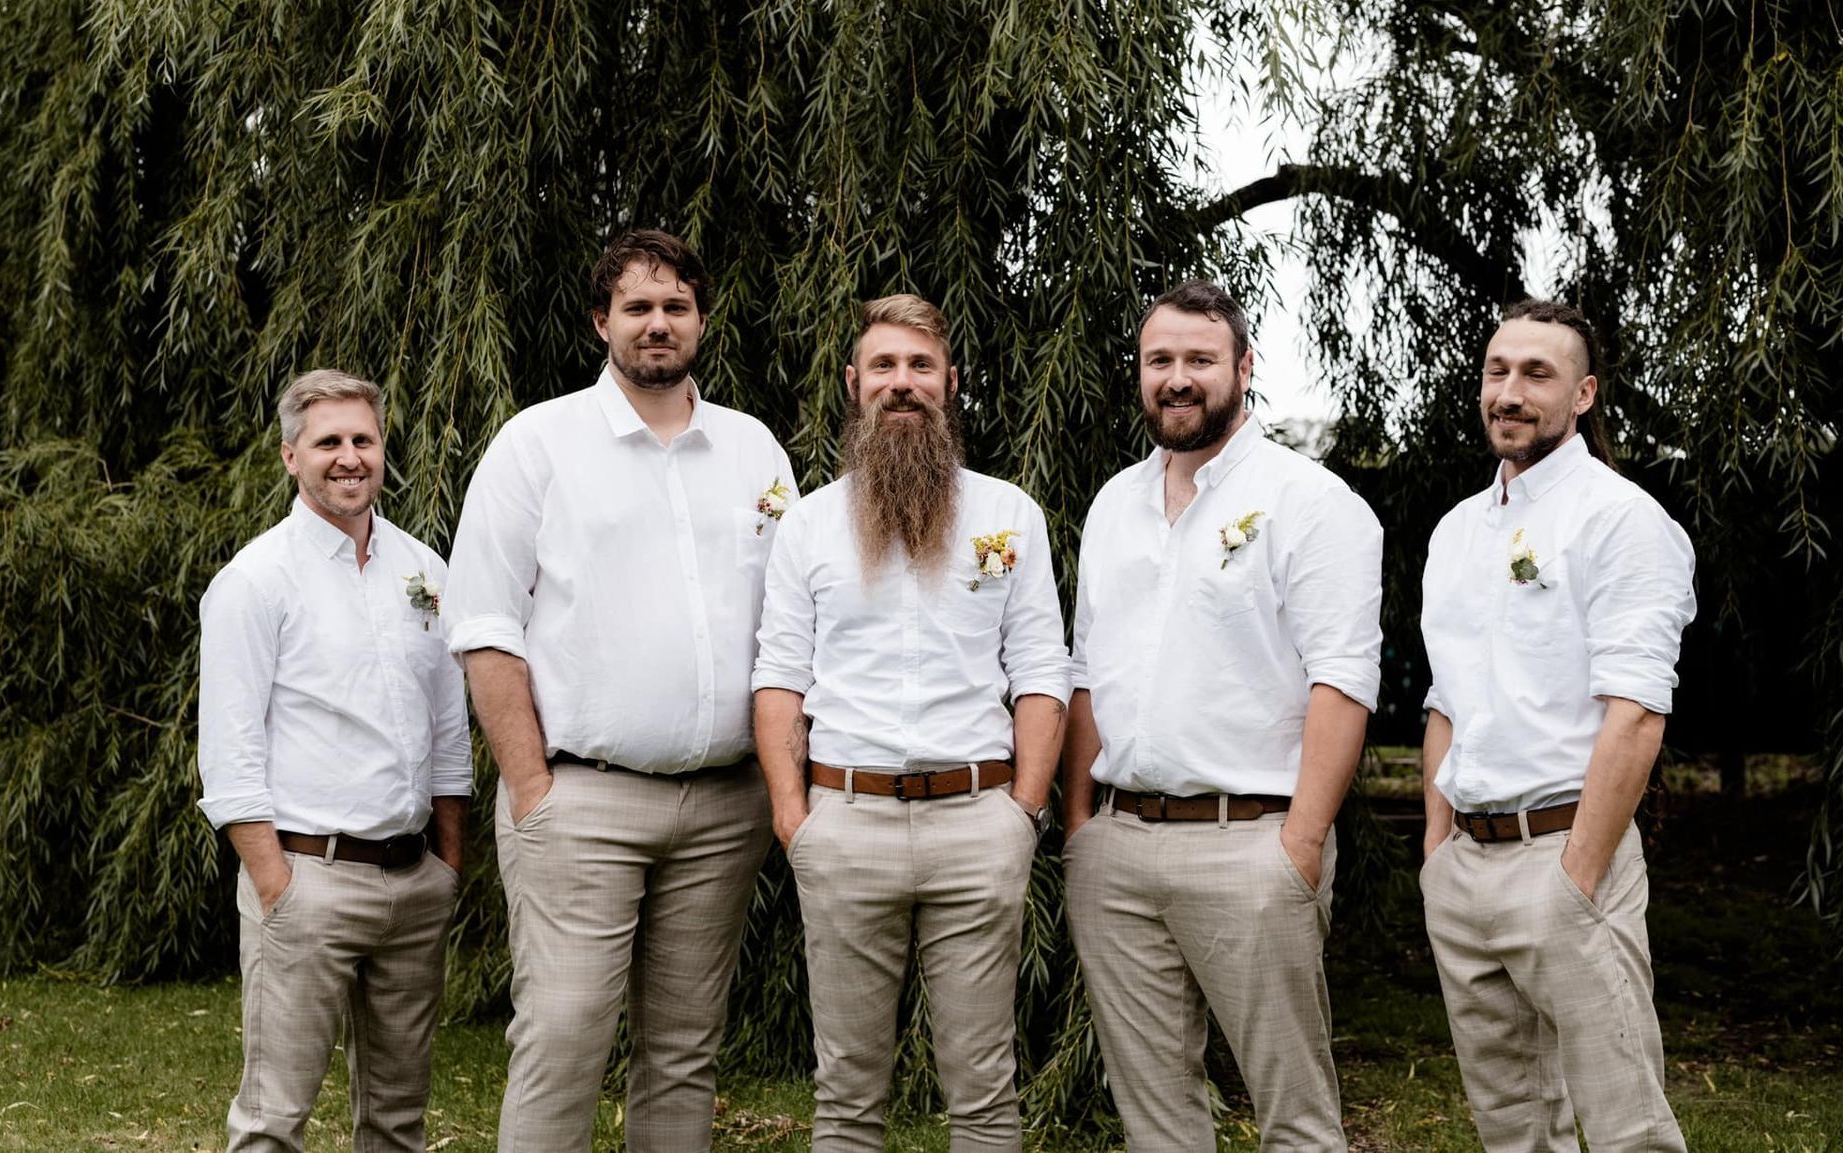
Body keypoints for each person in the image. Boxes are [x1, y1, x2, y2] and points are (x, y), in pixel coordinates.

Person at [442, 228, 795, 1152]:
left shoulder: (754, 451)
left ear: (701, 321)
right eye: (637, 306)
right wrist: (530, 787)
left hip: (725, 805)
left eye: (675, 306)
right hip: (580, 796)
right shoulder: (538, 444)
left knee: (682, 1050)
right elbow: (483, 625)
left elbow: (791, 623)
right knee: (563, 1037)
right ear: (602, 321)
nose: (657, 323)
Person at [1059, 279, 1382, 1150]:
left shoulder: (1310, 502)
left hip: (1254, 844)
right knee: (1155, 1113)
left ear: (1244, 368)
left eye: (1200, 360)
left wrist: (1301, 845)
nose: (1178, 378)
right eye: (1159, 360)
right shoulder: (1113, 505)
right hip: (1118, 850)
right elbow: (1086, 671)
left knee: (1295, 1115)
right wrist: (1082, 825)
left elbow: (1344, 681)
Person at [750, 294, 1069, 1153]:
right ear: (854, 384)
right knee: (848, 1093)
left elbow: (1043, 675)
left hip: (979, 823)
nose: (903, 383)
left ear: (950, 384)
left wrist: (1022, 815)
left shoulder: (1010, 516)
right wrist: (794, 819)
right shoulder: (808, 525)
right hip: (843, 824)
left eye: (920, 366)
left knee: (984, 1090)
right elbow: (779, 676)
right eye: (884, 367)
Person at [1420, 300, 1695, 1152]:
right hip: (1465, 868)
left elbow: (1637, 713)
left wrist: (1578, 877)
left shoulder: (1621, 520)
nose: (1510, 392)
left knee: (1626, 1127)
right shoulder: (1457, 530)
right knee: (1510, 1125)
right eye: (1498, 371)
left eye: (1537, 374)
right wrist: (1438, 853)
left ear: (1583, 395)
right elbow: (1445, 701)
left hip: (1568, 854)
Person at [197, 369, 471, 1153]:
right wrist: (276, 884)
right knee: (273, 1120)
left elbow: (448, 730)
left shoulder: (425, 570)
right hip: (307, 880)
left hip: (413, 885)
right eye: (328, 442)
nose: (348, 457)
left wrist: (447, 865)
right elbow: (230, 750)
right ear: (290, 455)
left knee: (396, 1120)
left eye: (363, 439)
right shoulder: (256, 580)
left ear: (383, 449)